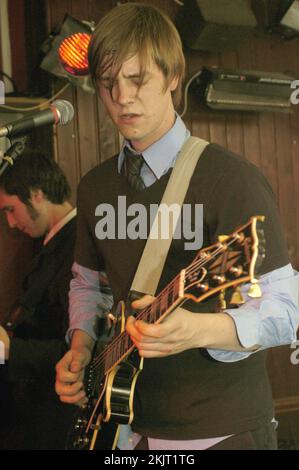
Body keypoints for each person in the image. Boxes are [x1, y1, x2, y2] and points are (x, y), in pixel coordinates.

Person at [55, 3, 299, 450]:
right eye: (108, 83)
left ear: (172, 76)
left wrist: (200, 331)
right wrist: (81, 347)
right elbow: (88, 284)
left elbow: (287, 311)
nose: (122, 97)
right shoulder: (94, 187)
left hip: (220, 424)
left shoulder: (230, 179)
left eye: (138, 79)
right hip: (123, 422)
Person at [0, 150, 86, 449]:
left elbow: (78, 346)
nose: (10, 223)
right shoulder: (53, 244)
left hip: (56, 418)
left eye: (11, 209)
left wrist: (11, 348)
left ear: (36, 194)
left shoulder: (76, 246)